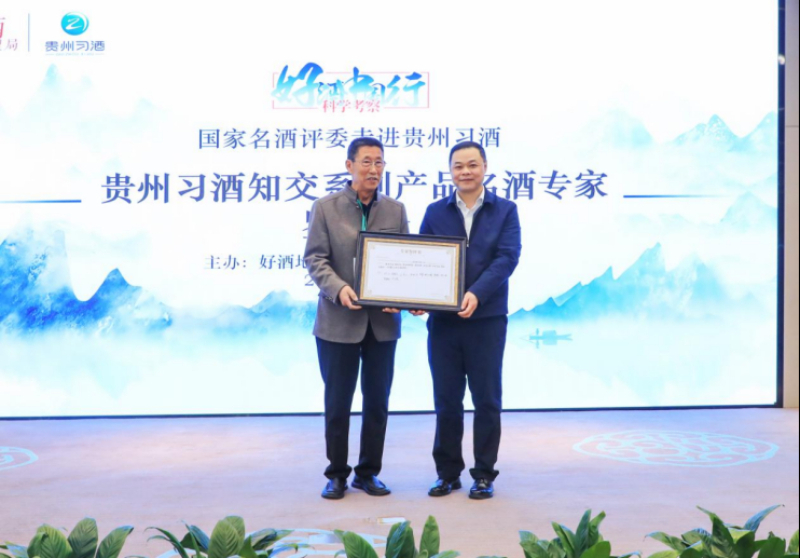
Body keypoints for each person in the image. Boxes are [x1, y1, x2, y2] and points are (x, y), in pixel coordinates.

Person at [304, 137, 410, 500]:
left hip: (382, 325)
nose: (374, 169)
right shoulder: (325, 208)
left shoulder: (395, 210)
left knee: (377, 403)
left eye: (379, 162)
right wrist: (338, 289)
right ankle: (336, 474)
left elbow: (404, 259)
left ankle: (368, 473)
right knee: (338, 403)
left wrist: (402, 296)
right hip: (338, 322)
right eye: (366, 162)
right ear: (349, 166)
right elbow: (315, 258)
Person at [419, 141, 522, 500]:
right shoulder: (435, 211)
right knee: (446, 401)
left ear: (485, 167)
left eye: (472, 165)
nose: (465, 171)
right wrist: (417, 299)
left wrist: (476, 293)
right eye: (458, 166)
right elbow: (423, 260)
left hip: (487, 320)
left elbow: (507, 258)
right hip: (444, 323)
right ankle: (447, 474)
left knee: (487, 400)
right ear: (450, 171)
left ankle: (483, 474)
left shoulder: (505, 210)